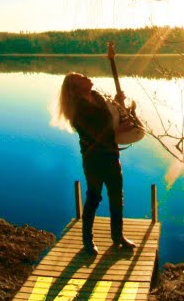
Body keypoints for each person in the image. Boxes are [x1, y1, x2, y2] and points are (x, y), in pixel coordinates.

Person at [56, 72, 138, 255]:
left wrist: (118, 104)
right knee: (94, 198)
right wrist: (118, 128)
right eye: (81, 78)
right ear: (75, 88)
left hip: (111, 155)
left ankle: (118, 236)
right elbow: (98, 132)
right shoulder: (78, 110)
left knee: (116, 196)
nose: (86, 77)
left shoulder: (97, 97)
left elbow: (111, 118)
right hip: (94, 159)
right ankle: (88, 241)